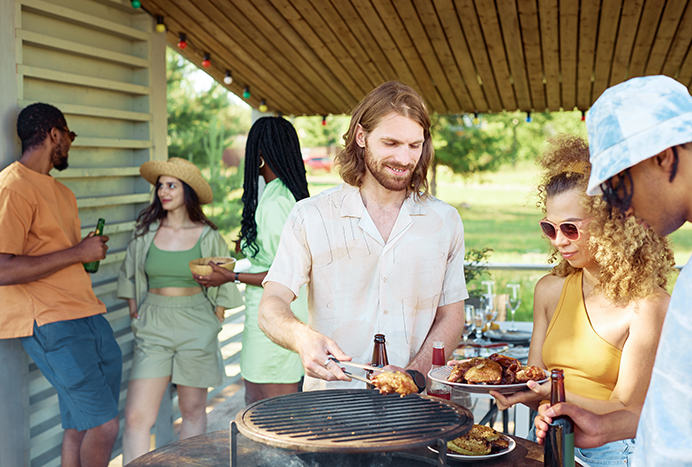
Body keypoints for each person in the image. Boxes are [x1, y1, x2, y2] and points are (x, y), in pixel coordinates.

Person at [257, 81, 468, 391]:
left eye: (414, 145)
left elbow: (451, 315)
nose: (405, 159)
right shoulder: (311, 215)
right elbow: (271, 304)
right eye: (391, 143)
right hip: (330, 407)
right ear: (361, 137)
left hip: (415, 408)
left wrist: (415, 376)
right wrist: (302, 337)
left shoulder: (445, 220)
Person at [534, 75, 692, 466]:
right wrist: (605, 428)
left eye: (618, 186)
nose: (618, 210)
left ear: (663, 157)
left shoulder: (658, 302)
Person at [490, 135, 673, 466]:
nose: (558, 241)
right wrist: (515, 387)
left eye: (570, 229)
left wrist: (553, 396)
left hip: (610, 453)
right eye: (550, 228)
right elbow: (534, 380)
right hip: (543, 441)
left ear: (612, 223)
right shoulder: (549, 290)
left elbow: (628, 409)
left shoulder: (649, 305)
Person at [0, 103, 121, 467]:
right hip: (49, 321)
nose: (70, 144)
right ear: (54, 134)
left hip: (88, 313)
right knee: (105, 426)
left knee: (80, 425)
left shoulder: (63, 194)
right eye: (69, 136)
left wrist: (85, 254)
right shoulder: (11, 187)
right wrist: (77, 252)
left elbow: (63, 255)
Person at [117, 157, 242, 464]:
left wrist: (217, 315)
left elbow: (225, 279)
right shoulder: (146, 232)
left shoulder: (208, 234)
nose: (163, 191)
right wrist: (135, 312)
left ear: (187, 191)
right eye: (160, 186)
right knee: (136, 417)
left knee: (193, 412)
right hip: (153, 323)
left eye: (171, 185)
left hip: (196, 321)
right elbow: (129, 275)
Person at [194, 117, 310, 405]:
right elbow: (274, 254)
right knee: (258, 402)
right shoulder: (281, 194)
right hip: (272, 314)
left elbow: (284, 272)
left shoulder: (275, 203)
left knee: (271, 412)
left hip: (277, 314)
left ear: (259, 154)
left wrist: (228, 277)